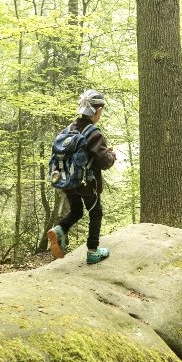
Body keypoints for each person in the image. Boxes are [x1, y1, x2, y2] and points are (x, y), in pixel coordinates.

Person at [47, 90, 116, 264]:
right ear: (98, 110)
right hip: (87, 182)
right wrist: (111, 155)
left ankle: (59, 229)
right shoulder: (94, 133)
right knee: (96, 213)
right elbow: (104, 162)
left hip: (68, 181)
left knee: (76, 211)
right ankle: (93, 251)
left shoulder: (68, 129)